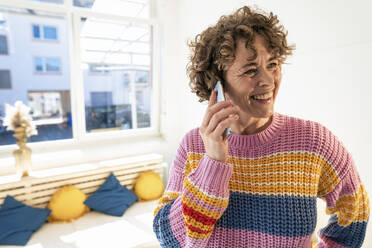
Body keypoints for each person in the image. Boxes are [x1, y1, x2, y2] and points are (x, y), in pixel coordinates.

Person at [153, 6, 370, 248]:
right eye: (251, 70)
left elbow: (355, 210)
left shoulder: (313, 141)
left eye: (273, 64)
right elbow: (169, 239)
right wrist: (213, 164)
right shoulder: (194, 145)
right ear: (218, 83)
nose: (268, 80)